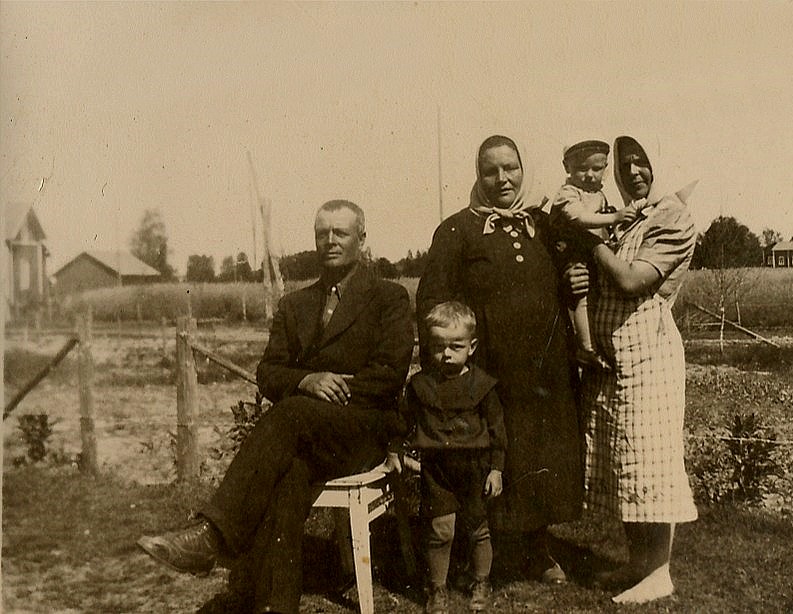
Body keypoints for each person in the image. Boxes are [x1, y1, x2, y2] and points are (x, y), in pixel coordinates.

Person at [136, 200, 414, 614]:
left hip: (363, 430)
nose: (331, 241)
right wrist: (306, 380)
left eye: (341, 232)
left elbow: (388, 376)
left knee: (292, 413)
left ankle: (213, 536)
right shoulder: (295, 304)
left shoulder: (388, 297)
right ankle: (275, 605)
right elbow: (269, 372)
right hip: (304, 435)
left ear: (362, 238)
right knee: (290, 473)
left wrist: (326, 389)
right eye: (323, 233)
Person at [416, 135, 583, 584]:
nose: (502, 178)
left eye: (510, 168)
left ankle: (538, 549)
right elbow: (432, 301)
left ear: (523, 170)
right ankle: (483, 552)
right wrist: (447, 368)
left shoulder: (543, 225)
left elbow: (566, 281)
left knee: (538, 455)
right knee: (488, 456)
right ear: (478, 175)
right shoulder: (458, 230)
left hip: (544, 370)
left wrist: (576, 281)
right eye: (491, 170)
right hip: (487, 372)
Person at [569, 135, 698, 603]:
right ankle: (639, 566)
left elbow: (630, 280)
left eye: (642, 163)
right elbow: (598, 271)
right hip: (611, 357)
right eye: (625, 166)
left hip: (649, 355)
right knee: (624, 461)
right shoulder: (628, 218)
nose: (634, 173)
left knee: (651, 460)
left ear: (661, 164)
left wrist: (585, 239)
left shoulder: (674, 217)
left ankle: (659, 571)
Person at [387, 301, 507, 613]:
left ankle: (482, 580)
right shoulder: (421, 386)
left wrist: (496, 470)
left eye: (456, 346)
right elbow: (402, 422)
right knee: (440, 530)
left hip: (475, 467)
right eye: (439, 346)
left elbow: (497, 432)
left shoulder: (482, 386)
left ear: (472, 346)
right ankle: (437, 588)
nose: (447, 354)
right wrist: (394, 449)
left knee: (478, 528)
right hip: (436, 470)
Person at [548, 139, 641, 368]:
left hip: (592, 253)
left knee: (599, 298)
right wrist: (615, 217)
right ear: (566, 167)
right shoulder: (568, 193)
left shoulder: (599, 194)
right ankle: (587, 347)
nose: (589, 175)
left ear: (606, 168)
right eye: (581, 168)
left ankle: (600, 344)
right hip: (572, 254)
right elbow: (579, 217)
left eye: (597, 169)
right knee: (583, 296)